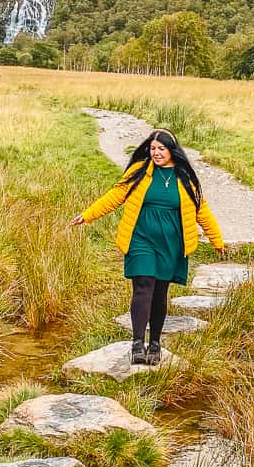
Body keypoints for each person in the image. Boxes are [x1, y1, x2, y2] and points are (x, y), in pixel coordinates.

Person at [70, 128, 225, 366]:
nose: (156, 153)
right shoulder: (140, 172)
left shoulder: (185, 177)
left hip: (171, 243)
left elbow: (201, 212)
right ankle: (136, 343)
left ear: (172, 150)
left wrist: (217, 240)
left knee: (160, 293)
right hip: (140, 237)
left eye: (161, 149)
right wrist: (87, 215)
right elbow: (114, 196)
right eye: (153, 148)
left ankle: (155, 344)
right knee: (143, 286)